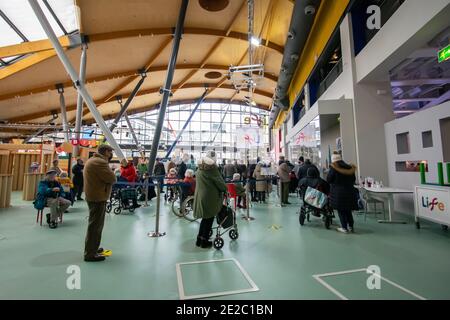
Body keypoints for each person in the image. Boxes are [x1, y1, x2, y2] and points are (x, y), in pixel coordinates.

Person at [83, 144, 117, 262]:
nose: (111, 154)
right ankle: (90, 254)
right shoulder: (100, 162)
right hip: (97, 197)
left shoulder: (93, 160)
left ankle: (93, 248)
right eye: (110, 151)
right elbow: (112, 178)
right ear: (105, 152)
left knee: (95, 225)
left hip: (94, 195)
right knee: (95, 226)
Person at [193, 151, 227, 248]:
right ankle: (204, 241)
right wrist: (225, 188)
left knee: (205, 218)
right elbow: (220, 183)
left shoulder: (199, 168)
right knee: (209, 219)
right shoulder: (212, 169)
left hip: (200, 196)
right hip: (210, 198)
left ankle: (199, 239)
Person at [327, 152, 358, 234]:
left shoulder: (334, 168)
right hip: (350, 191)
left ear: (334, 160)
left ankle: (344, 227)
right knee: (348, 210)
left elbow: (329, 179)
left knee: (341, 210)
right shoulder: (350, 167)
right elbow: (353, 180)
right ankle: (351, 226)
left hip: (338, 192)